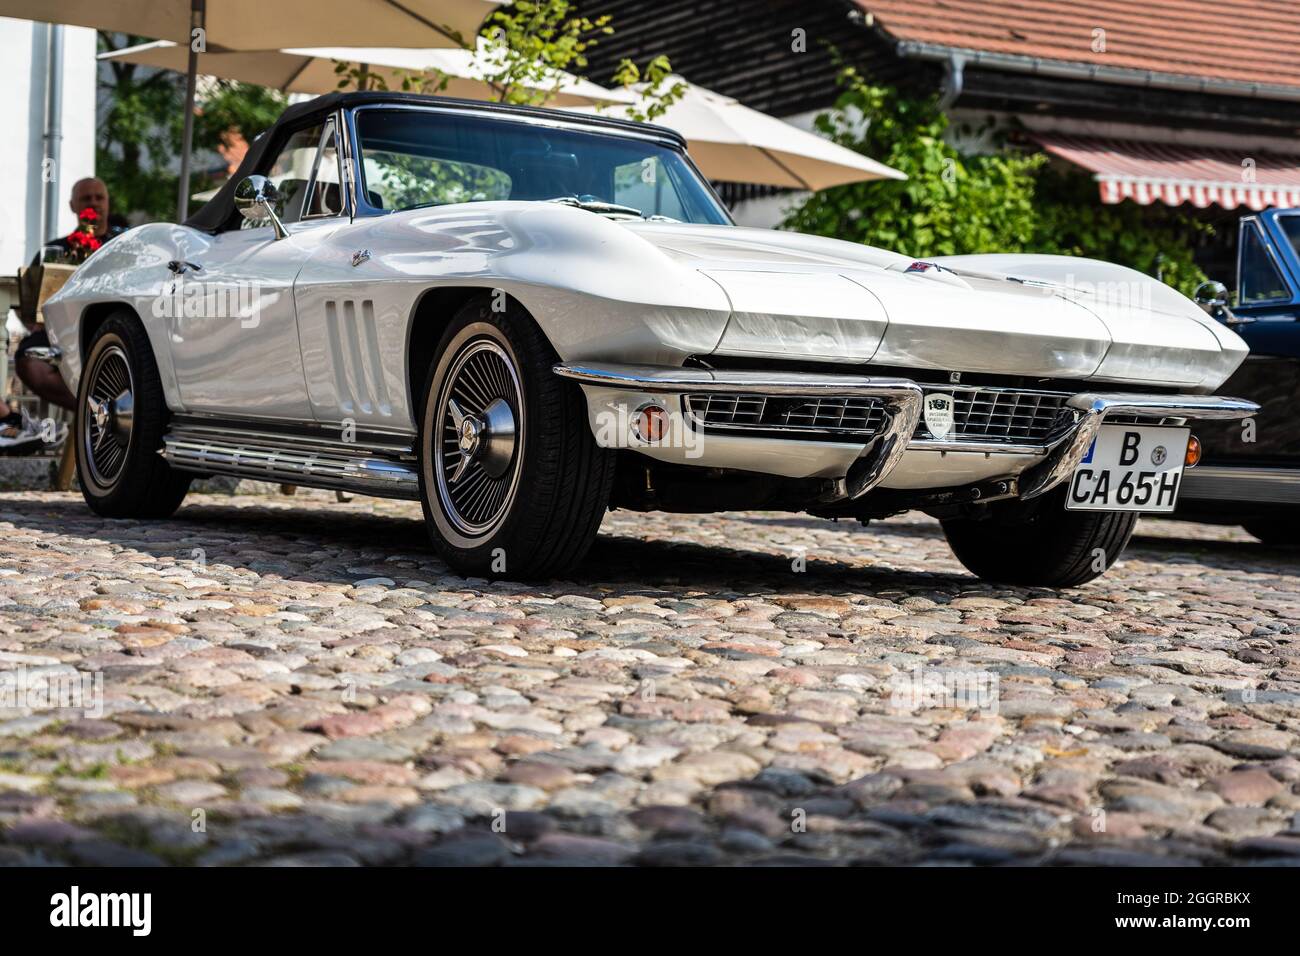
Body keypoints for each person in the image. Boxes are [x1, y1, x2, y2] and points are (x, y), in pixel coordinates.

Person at [2, 178, 124, 454]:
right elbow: (28, 304)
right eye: (85, 199)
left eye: (98, 198)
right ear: (72, 206)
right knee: (30, 360)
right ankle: (98, 412)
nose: (92, 203)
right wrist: (33, 319)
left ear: (107, 203)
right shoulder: (54, 250)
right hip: (58, 333)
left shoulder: (124, 246)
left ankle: (100, 413)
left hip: (114, 332)